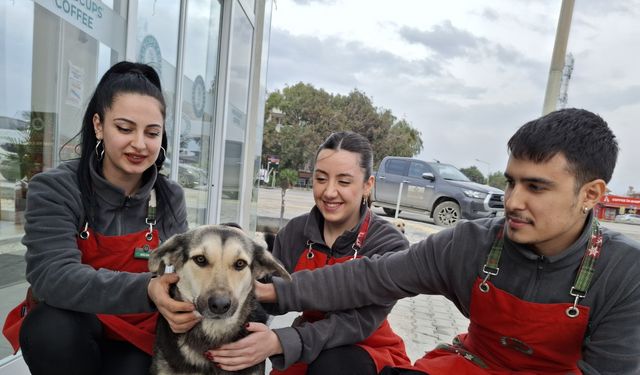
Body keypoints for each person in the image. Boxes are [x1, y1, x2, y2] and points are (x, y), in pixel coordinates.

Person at [257, 109, 640, 374]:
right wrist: (269, 293)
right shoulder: (472, 243)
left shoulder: (625, 273)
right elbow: (370, 278)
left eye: (536, 187)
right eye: (511, 182)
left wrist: (282, 338)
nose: (512, 202)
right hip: (471, 366)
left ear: (590, 194)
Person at [1, 61, 198, 375]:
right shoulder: (56, 188)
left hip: (140, 332)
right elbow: (52, 276)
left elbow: (181, 273)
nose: (139, 144)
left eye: (152, 133)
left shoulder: (169, 197)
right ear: (98, 125)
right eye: (124, 128)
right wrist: (147, 288)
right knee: (48, 329)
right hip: (76, 323)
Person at [206, 131, 412, 374]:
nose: (329, 192)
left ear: (368, 185)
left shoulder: (390, 244)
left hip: (365, 349)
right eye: (321, 178)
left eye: (344, 182)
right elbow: (265, 296)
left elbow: (357, 323)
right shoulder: (295, 232)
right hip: (306, 341)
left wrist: (279, 341)